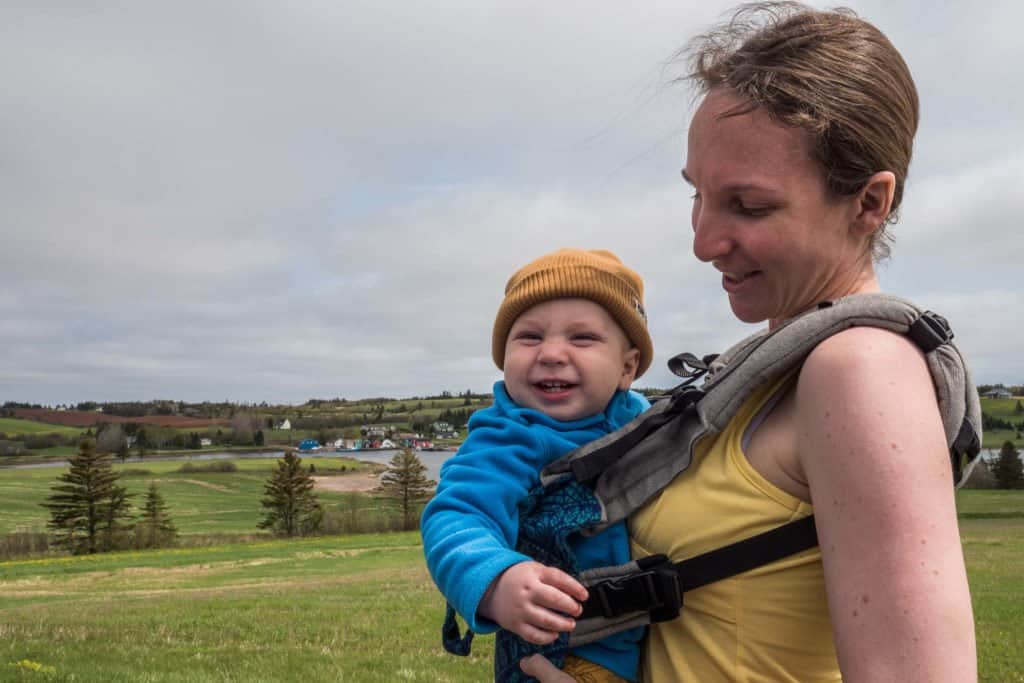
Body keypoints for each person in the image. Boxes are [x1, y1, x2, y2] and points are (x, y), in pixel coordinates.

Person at [522, 3, 977, 681]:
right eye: (698, 195)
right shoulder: (764, 370)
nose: (704, 241)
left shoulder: (863, 372)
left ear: (870, 203)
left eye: (750, 206)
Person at [421, 248, 655, 682]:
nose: (550, 353)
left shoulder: (650, 422)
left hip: (661, 650)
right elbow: (455, 518)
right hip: (562, 660)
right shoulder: (506, 437)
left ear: (627, 367)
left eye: (582, 338)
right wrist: (496, 581)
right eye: (529, 337)